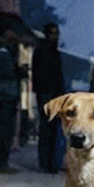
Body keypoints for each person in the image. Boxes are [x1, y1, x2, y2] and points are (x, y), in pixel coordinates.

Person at [0, 29, 26, 173]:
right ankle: (0, 162)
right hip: (5, 95)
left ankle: (1, 161)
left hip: (5, 94)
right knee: (4, 130)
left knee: (2, 130)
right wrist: (20, 71)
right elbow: (8, 73)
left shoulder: (2, 52)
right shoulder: (3, 53)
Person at [32, 23, 66, 173]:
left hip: (53, 95)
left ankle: (51, 163)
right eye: (53, 33)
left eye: (57, 33)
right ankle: (46, 163)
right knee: (47, 130)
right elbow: (40, 75)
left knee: (52, 130)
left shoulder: (53, 51)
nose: (56, 36)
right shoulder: (43, 50)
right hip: (46, 95)